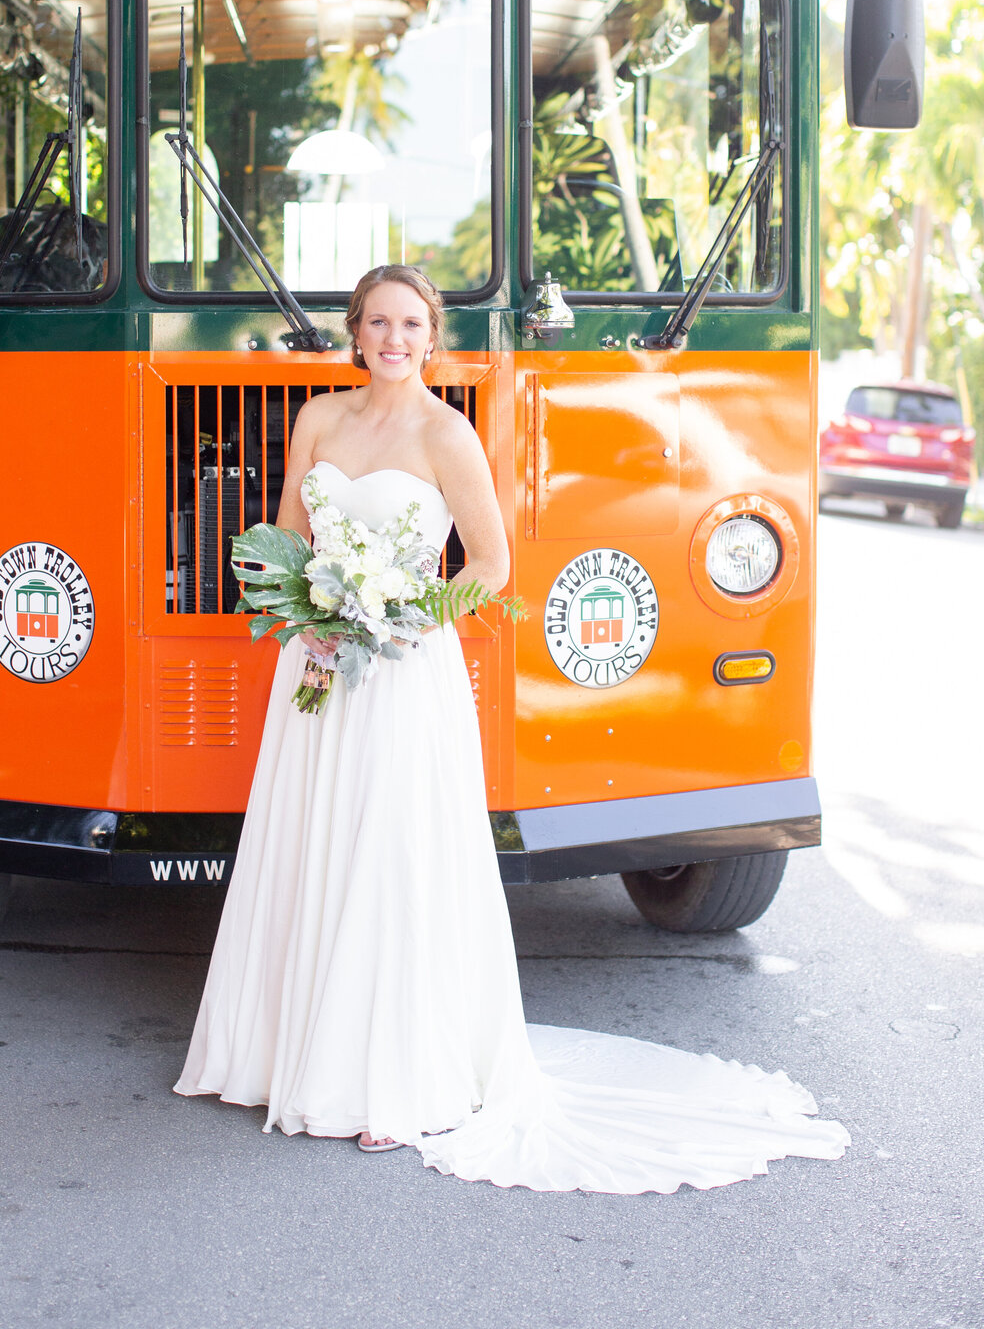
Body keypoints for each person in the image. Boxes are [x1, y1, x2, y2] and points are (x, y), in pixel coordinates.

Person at [175, 265, 849, 1191]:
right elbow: (290, 538)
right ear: (356, 331)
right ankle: (287, 1053)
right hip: (322, 663)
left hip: (406, 668)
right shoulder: (319, 420)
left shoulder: (447, 432)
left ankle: (395, 1084)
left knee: (394, 856)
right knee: (314, 842)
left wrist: (402, 614)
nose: (394, 338)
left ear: (432, 333)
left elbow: (489, 564)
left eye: (411, 323)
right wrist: (313, 614)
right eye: (378, 322)